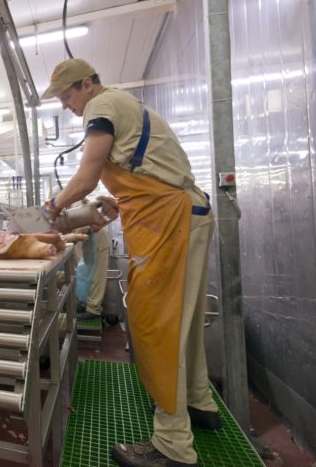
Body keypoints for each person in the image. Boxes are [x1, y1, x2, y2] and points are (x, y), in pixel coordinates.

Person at [41, 58, 221, 467]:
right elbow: (145, 173)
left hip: (168, 221)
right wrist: (115, 203)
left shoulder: (101, 108)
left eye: (68, 95)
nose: (66, 104)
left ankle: (173, 445)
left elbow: (86, 176)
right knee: (184, 322)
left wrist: (52, 208)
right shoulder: (125, 106)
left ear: (88, 84)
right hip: (180, 213)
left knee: (159, 324)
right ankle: (199, 402)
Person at [75, 225, 111, 321]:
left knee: (97, 277)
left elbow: (85, 225)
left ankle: (94, 309)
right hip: (87, 243)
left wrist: (67, 237)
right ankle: (85, 303)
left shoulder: (79, 211)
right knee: (85, 276)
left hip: (97, 243)